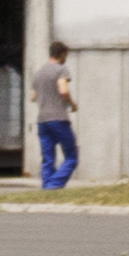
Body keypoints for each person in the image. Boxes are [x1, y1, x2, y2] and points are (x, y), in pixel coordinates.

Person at [34, 42, 80, 187]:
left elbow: (32, 96)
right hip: (58, 118)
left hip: (42, 120)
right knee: (71, 156)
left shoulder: (39, 73)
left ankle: (46, 186)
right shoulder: (61, 70)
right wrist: (72, 104)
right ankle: (53, 186)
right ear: (62, 54)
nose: (66, 58)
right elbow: (63, 90)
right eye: (66, 55)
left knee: (48, 158)